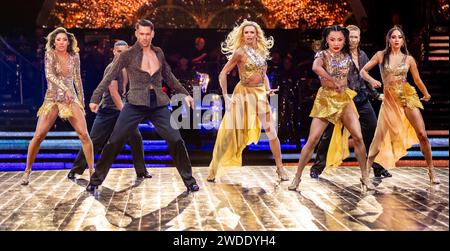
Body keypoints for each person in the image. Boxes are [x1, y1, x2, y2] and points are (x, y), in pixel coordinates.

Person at [87, 19, 199, 192]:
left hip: (158, 104)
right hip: (135, 103)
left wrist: (185, 94)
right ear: (136, 34)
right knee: (115, 141)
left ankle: (189, 180)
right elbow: (109, 77)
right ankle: (96, 180)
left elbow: (169, 76)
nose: (145, 37)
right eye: (142, 34)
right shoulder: (127, 54)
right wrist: (95, 97)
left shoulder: (159, 52)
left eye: (148, 34)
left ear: (152, 34)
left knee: (175, 139)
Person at [288, 25, 375, 192]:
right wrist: (332, 80)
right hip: (326, 98)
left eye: (340, 39)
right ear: (326, 40)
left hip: (344, 98)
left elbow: (362, 69)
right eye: (332, 39)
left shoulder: (349, 55)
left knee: (358, 137)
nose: (336, 43)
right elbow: (316, 68)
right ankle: (297, 177)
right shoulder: (322, 54)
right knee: (313, 140)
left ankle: (365, 177)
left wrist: (371, 83)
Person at [206, 20, 289, 182]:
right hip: (243, 93)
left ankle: (280, 168)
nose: (250, 35)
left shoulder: (261, 52)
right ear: (243, 36)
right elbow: (223, 73)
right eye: (246, 32)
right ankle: (214, 168)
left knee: (271, 131)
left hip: (259, 94)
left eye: (252, 32)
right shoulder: (240, 53)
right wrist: (225, 95)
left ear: (257, 34)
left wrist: (267, 88)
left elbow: (263, 74)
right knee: (230, 132)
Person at [309, 25, 392, 179]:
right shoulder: (338, 54)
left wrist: (375, 94)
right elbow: (323, 69)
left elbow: (364, 79)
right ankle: (318, 166)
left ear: (359, 39)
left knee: (372, 130)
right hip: (341, 98)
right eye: (350, 36)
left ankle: (377, 167)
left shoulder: (363, 56)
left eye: (356, 37)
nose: (353, 39)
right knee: (328, 133)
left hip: (360, 97)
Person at [360, 26, 440, 184]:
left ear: (403, 40)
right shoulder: (381, 55)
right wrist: (372, 80)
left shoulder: (409, 59)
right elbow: (363, 71)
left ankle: (431, 171)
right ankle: (366, 174)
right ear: (389, 40)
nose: (396, 40)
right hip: (389, 100)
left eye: (399, 37)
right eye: (393, 37)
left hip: (407, 97)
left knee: (422, 135)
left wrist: (426, 94)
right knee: (378, 137)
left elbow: (416, 80)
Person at [68, 40, 151, 180]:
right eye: (119, 51)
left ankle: (141, 171)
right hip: (108, 111)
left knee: (136, 138)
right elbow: (113, 92)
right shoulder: (112, 68)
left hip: (121, 109)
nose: (122, 54)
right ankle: (76, 170)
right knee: (94, 141)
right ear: (114, 52)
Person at [21, 27, 94, 185]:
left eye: (64, 39)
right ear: (54, 41)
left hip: (70, 99)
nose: (61, 42)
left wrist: (81, 102)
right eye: (58, 39)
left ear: (69, 42)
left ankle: (92, 172)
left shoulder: (74, 56)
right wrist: (65, 88)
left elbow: (77, 79)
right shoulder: (50, 54)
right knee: (39, 135)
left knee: (84, 135)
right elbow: (49, 75)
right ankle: (27, 171)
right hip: (53, 98)